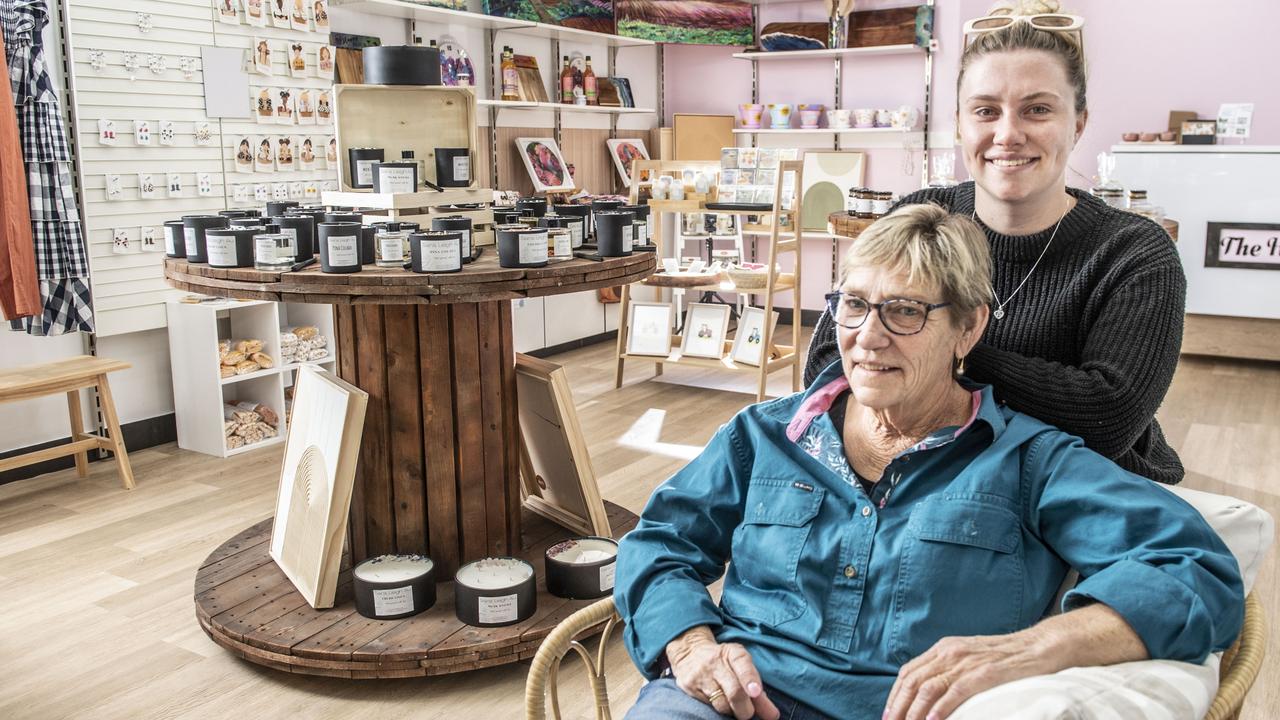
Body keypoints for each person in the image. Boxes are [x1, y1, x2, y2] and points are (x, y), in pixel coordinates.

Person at [615, 204, 1242, 720]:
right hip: (731, 706)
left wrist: (1031, 650)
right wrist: (692, 646)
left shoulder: (1028, 461)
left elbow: (1196, 571)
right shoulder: (764, 435)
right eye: (854, 304)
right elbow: (659, 542)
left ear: (968, 329)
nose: (868, 335)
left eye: (906, 310)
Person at [804, 1, 1187, 485]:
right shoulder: (923, 216)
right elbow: (826, 363)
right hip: (929, 475)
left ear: (1079, 123)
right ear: (961, 123)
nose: (1008, 135)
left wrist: (937, 347)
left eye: (1038, 110)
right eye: (986, 110)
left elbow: (1105, 418)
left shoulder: (1133, 253)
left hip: (1084, 489)